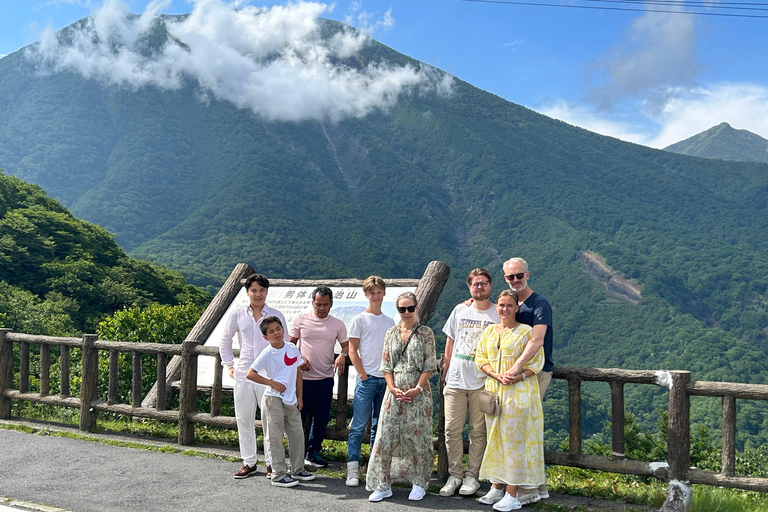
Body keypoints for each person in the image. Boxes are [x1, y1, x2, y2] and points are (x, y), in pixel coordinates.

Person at [475, 290, 545, 511]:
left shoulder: (526, 332)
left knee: (514, 442)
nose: (504, 309)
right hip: (495, 390)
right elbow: (480, 358)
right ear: (496, 307)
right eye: (501, 305)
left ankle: (512, 493)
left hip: (519, 394)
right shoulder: (488, 331)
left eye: (509, 305)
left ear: (517, 308)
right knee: (495, 439)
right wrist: (495, 375)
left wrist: (518, 376)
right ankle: (496, 487)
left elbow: (537, 362)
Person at [366, 292, 437, 503]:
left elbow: (429, 365)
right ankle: (383, 483)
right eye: (402, 309)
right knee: (386, 437)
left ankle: (419, 482)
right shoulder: (391, 332)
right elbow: (386, 364)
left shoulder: (425, 333)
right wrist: (392, 387)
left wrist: (417, 388)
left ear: (416, 308)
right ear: (397, 310)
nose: (406, 313)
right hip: (394, 391)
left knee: (418, 438)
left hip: (418, 392)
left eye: (410, 308)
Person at [219, 273, 287, 479]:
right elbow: (225, 340)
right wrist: (229, 365)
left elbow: (285, 344)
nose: (258, 294)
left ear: (267, 292)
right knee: (244, 419)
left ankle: (270, 462)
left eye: (262, 290)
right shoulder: (238, 313)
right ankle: (248, 461)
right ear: (247, 292)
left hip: (268, 376)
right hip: (244, 374)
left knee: (270, 420)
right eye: (254, 290)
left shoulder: (275, 315)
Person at [439, 269, 500, 497]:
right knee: (451, 430)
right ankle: (455, 475)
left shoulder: (497, 313)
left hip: (483, 383)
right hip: (455, 379)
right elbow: (450, 341)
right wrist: (446, 370)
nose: (480, 287)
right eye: (476, 284)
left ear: (490, 286)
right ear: (469, 287)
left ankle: (472, 476)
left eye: (484, 283)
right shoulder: (460, 309)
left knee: (478, 431)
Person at [503, 257, 554, 504]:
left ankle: (527, 490)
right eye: (510, 277)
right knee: (524, 429)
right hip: (516, 376)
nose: (515, 280)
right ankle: (538, 487)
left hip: (534, 373)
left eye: (519, 275)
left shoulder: (539, 304)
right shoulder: (512, 302)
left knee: (524, 430)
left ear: (528, 275)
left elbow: (537, 340)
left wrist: (515, 367)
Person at [246, 317, 316, 487]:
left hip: (291, 399)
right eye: (271, 331)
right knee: (274, 438)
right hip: (273, 399)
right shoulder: (267, 353)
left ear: (283, 329)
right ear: (265, 337)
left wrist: (300, 397)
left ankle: (297, 469)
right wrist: (272, 383)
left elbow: (298, 371)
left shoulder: (292, 347)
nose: (276, 333)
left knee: (297, 435)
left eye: (278, 328)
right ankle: (278, 475)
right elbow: (250, 373)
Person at [289, 286, 349, 468]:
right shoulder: (301, 320)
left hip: (325, 378)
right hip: (302, 378)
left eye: (325, 304)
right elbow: (289, 346)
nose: (321, 308)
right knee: (298, 416)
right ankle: (295, 453)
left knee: (321, 417)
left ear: (331, 304)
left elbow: (346, 346)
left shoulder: (337, 324)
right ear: (312, 303)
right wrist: (299, 359)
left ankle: (313, 452)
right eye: (318, 304)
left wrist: (342, 355)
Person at [345, 276, 395, 487]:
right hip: (367, 380)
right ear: (366, 294)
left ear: (384, 294)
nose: (375, 296)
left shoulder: (389, 321)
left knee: (379, 427)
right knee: (358, 426)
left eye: (378, 292)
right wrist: (362, 374)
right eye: (371, 292)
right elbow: (352, 349)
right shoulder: (359, 319)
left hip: (385, 380)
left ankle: (373, 470)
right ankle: (352, 470)